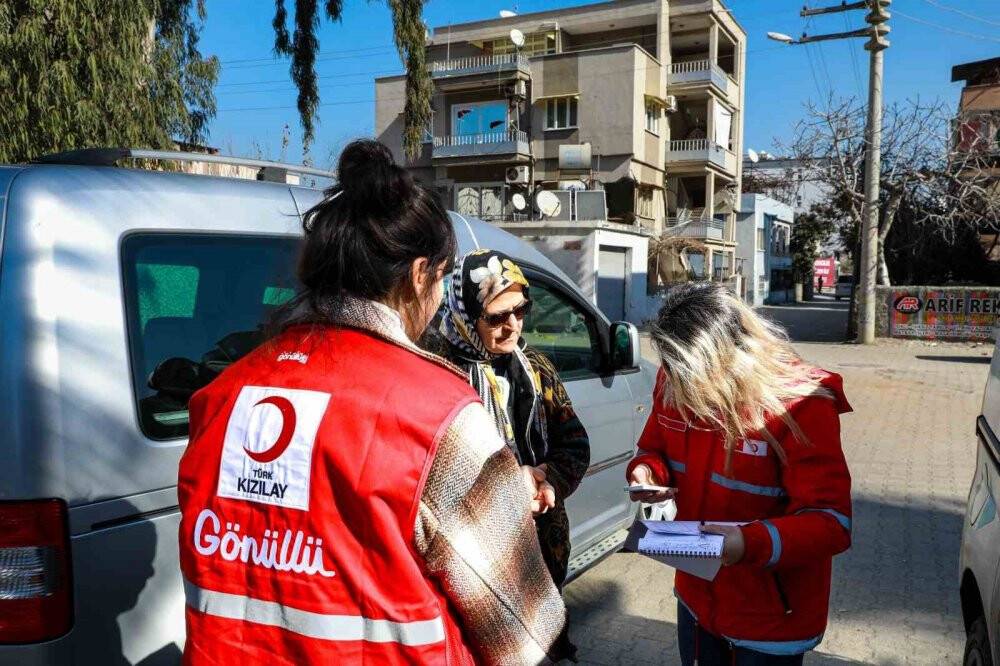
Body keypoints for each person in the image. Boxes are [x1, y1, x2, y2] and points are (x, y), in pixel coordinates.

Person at [177, 140, 568, 665]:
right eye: (442, 279)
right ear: (420, 274)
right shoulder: (440, 415)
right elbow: (524, 630)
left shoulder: (221, 396)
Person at [627, 282, 852, 666]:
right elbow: (654, 448)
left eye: (695, 375)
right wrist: (647, 473)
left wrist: (748, 543)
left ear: (732, 355)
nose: (685, 387)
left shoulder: (802, 404)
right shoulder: (676, 378)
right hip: (696, 597)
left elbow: (832, 523)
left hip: (769, 619)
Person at [435, 249, 591, 590]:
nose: (513, 326)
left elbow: (575, 444)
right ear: (466, 315)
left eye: (520, 310)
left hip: (542, 555)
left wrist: (547, 480)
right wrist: (507, 488)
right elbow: (431, 477)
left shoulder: (536, 367)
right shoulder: (438, 374)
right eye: (496, 318)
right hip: (474, 565)